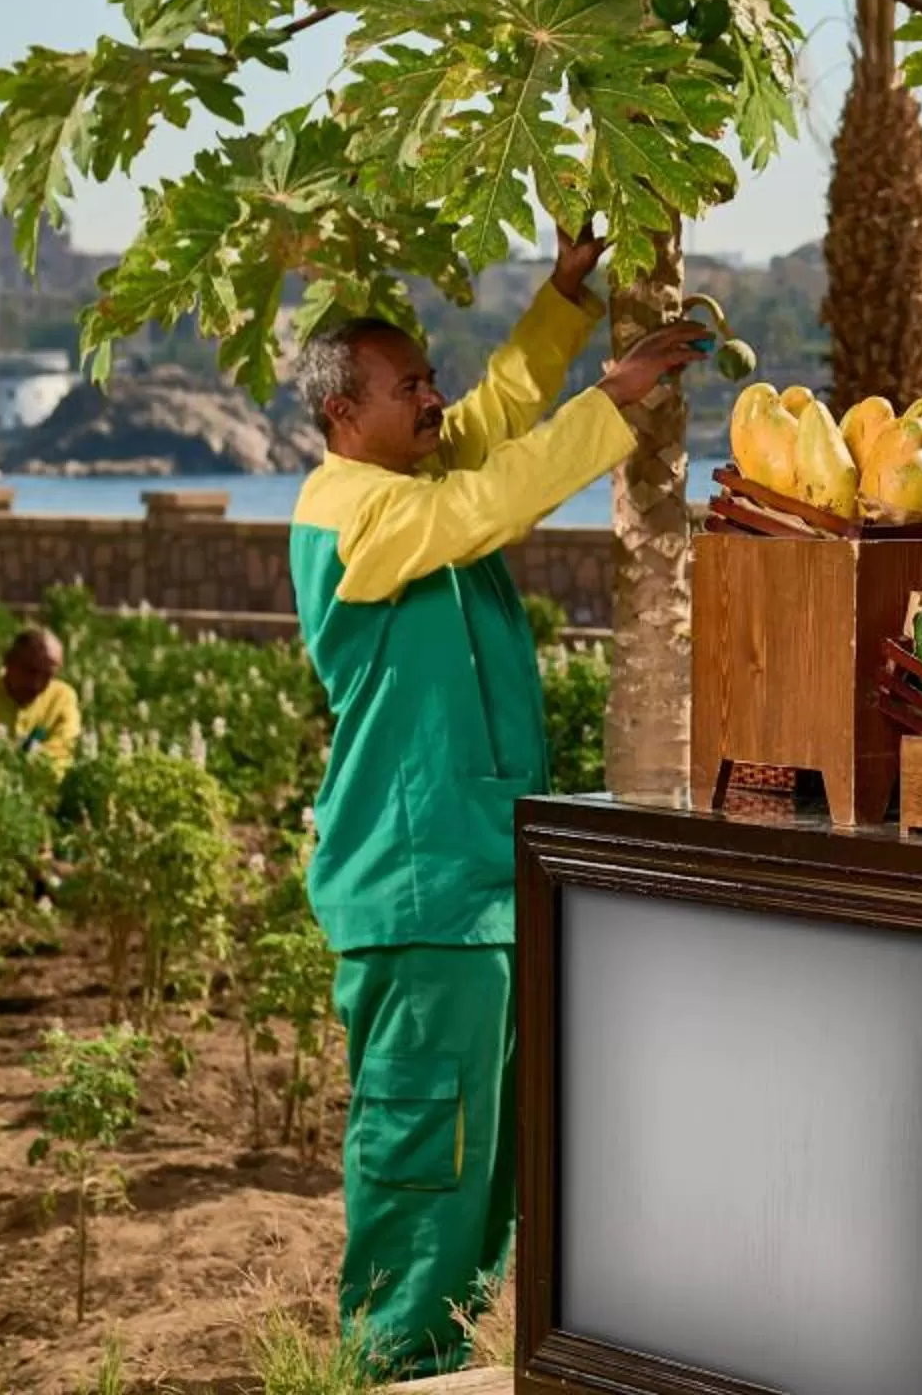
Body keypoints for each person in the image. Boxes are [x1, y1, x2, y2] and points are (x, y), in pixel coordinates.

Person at [288, 222, 707, 1377]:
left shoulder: (408, 475)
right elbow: (495, 495)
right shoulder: (353, 512)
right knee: (424, 1163)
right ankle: (388, 1369)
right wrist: (612, 399)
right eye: (409, 384)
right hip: (420, 902)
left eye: (429, 377)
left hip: (474, 892)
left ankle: (437, 1359)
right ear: (343, 412)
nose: (435, 399)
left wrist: (562, 300)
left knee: (485, 1168)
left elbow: (489, 421)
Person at [0, 626, 80, 780]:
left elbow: (62, 755)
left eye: (47, 675)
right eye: (29, 671)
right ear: (8, 661)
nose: (36, 683)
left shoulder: (62, 698)